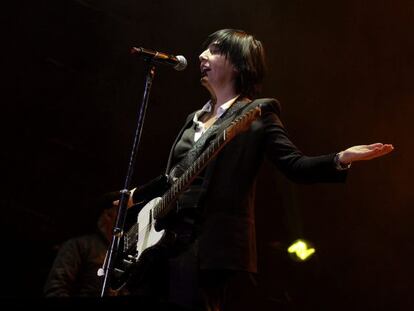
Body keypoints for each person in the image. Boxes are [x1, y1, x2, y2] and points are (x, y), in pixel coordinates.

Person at [122, 29, 394, 310]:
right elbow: (172, 177)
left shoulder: (257, 114)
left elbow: (295, 165)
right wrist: (135, 196)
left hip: (207, 244)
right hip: (164, 242)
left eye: (215, 50)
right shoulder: (194, 118)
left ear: (239, 64)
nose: (202, 55)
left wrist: (340, 158)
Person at [43, 191, 128, 297]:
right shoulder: (79, 246)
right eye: (122, 214)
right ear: (107, 215)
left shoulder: (122, 255)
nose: (126, 221)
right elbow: (55, 289)